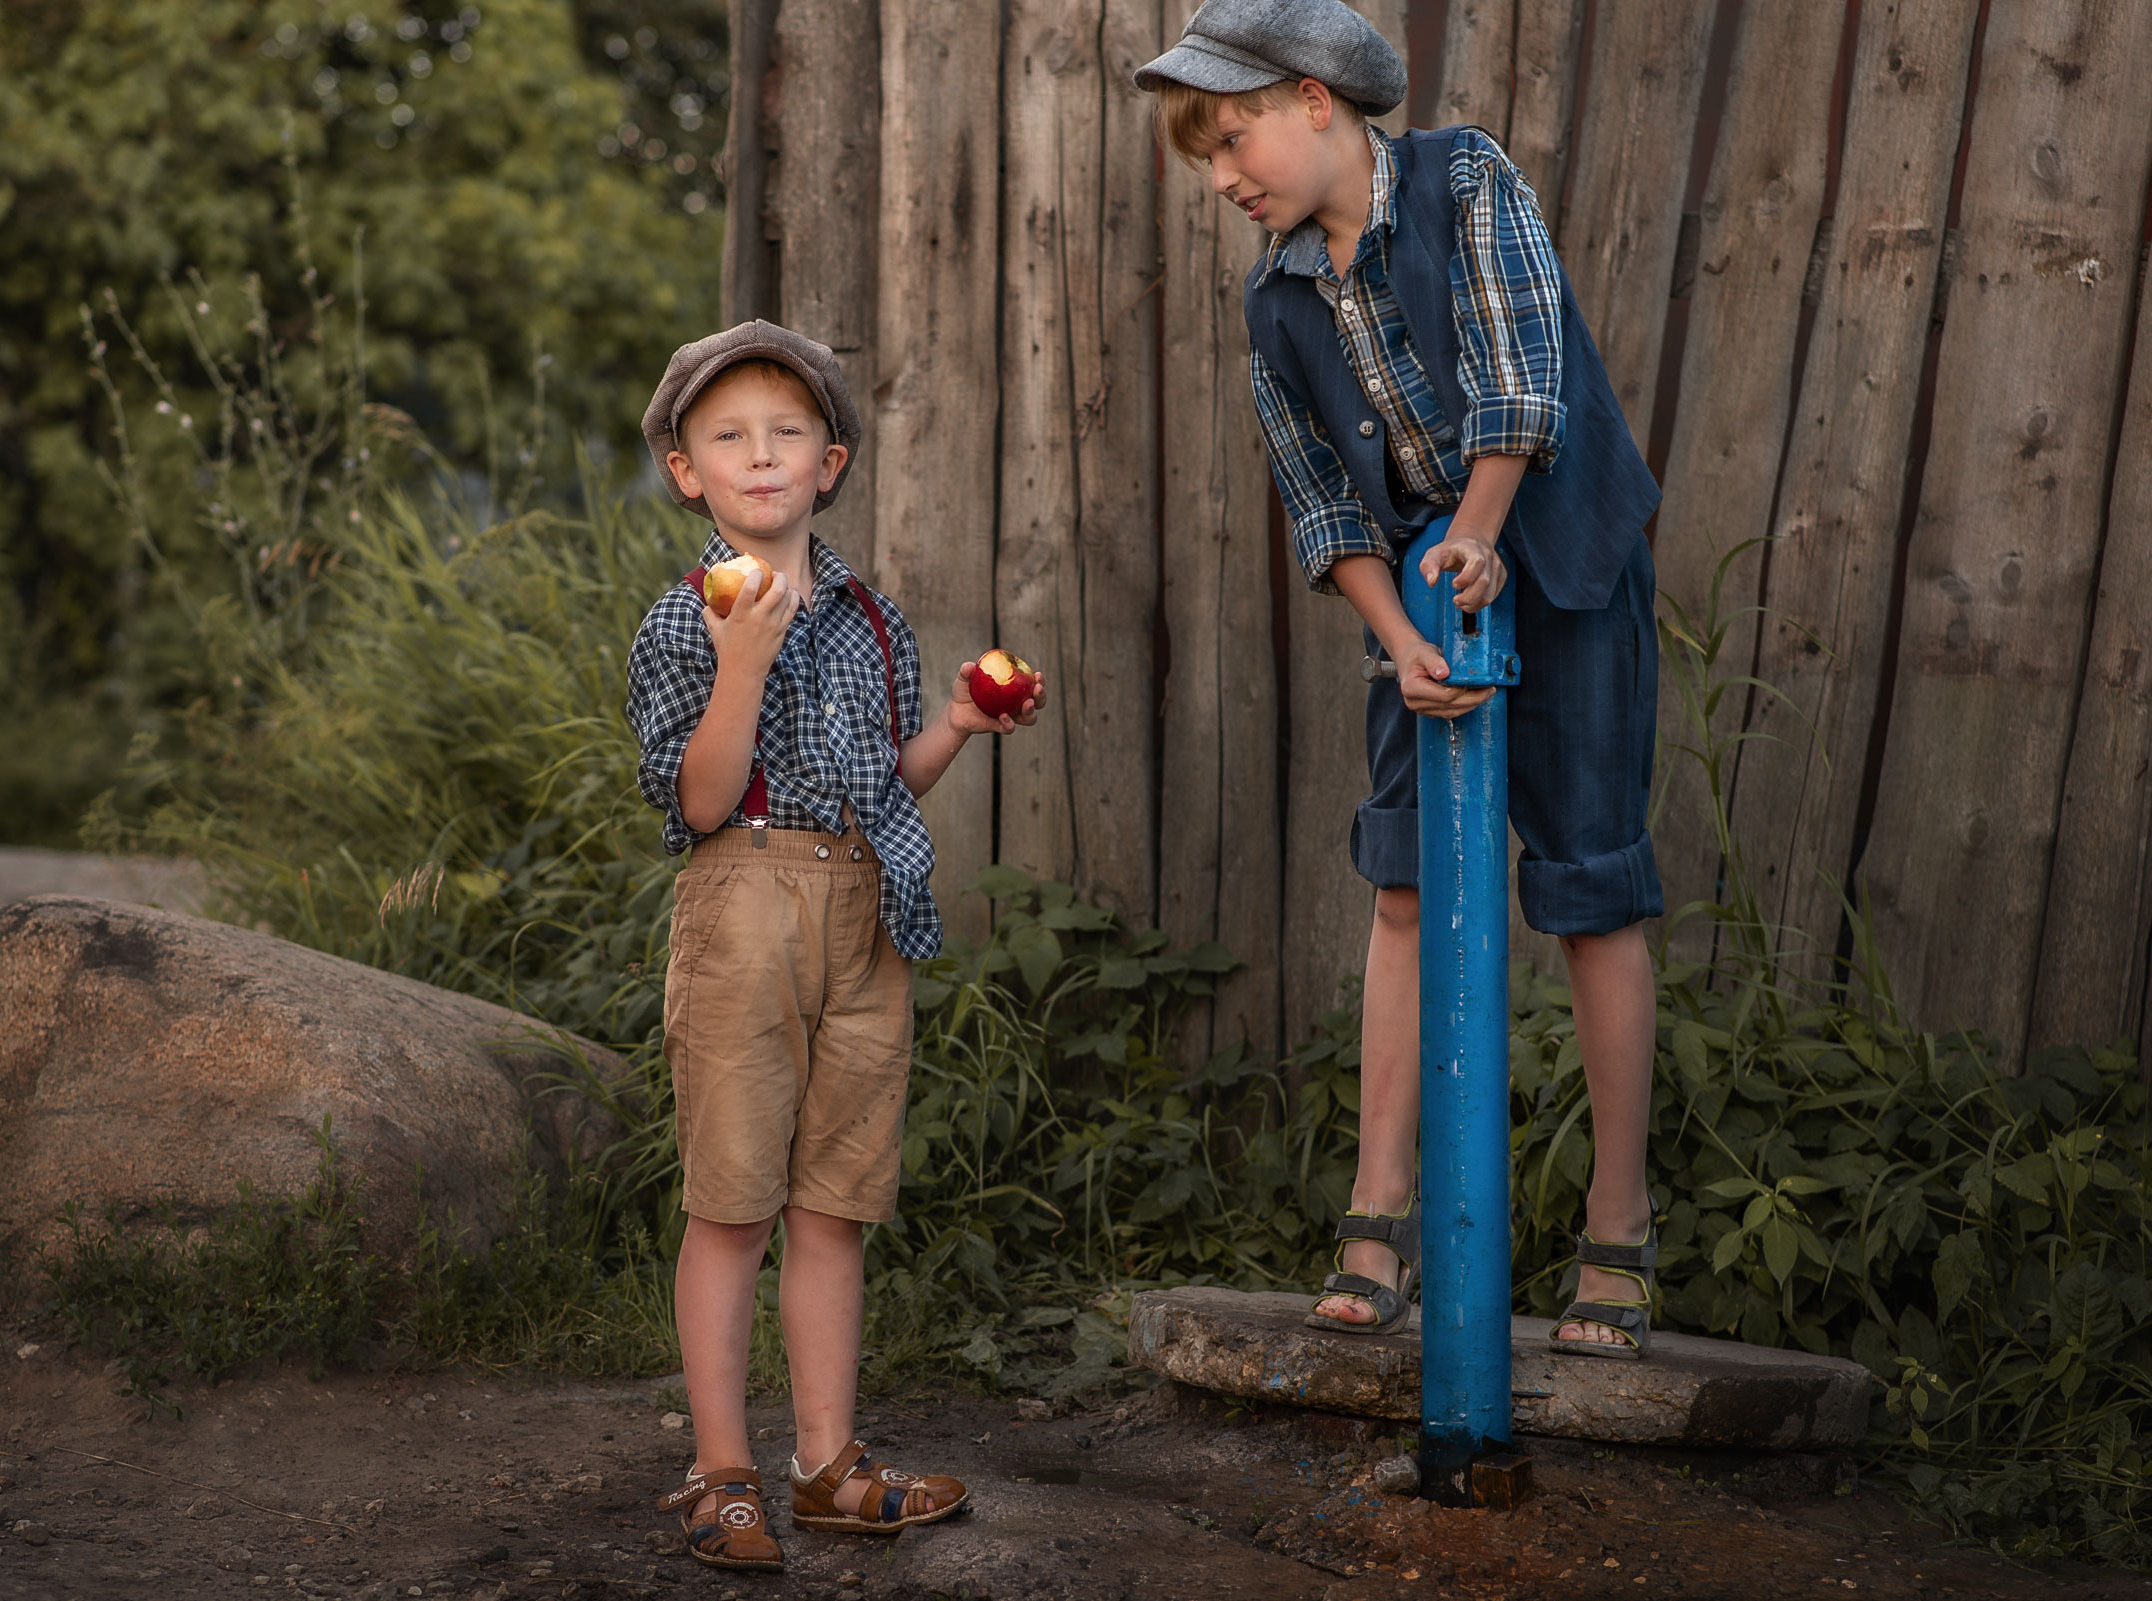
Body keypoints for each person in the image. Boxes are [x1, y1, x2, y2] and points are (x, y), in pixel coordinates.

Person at [1137, 1, 1666, 1359]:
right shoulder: (1272, 298)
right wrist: (1401, 637)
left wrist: (1480, 536)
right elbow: (1322, 502)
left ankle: (1616, 1231)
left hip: (1564, 563)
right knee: (1405, 885)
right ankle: (1379, 1215)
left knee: (1590, 885)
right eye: (1203, 156)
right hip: (1422, 595)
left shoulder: (1463, 178)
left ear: (1316, 101)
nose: (1221, 175)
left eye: (1233, 137)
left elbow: (1522, 382)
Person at [625, 321, 1041, 1570]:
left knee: (833, 1202)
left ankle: (824, 1464)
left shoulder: (872, 617)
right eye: (728, 436)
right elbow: (700, 801)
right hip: (743, 902)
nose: (760, 455)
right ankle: (721, 1473)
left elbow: (883, 783)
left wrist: (955, 721)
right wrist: (741, 663)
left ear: (831, 461)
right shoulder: (682, 621)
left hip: (864, 908)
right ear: (686, 471)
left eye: (786, 433)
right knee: (732, 1203)